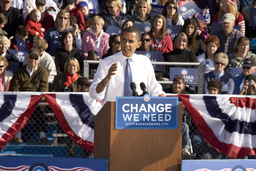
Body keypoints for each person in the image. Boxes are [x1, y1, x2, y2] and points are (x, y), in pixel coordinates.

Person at [89, 26, 165, 104]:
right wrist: (107, 78)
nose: (126, 44)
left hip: (138, 111)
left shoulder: (145, 62)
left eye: (131, 41)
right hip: (113, 112)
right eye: (123, 40)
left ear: (139, 44)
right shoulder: (106, 63)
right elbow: (94, 94)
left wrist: (164, 100)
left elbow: (154, 87)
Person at [12, 49, 49, 143]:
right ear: (27, 58)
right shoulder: (19, 72)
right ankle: (17, 136)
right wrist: (19, 101)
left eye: (36, 58)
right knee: (18, 110)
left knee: (39, 111)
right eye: (31, 57)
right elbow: (15, 89)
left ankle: (42, 136)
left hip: (36, 101)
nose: (33, 60)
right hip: (22, 99)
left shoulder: (43, 72)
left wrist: (41, 102)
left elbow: (44, 89)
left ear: (39, 60)